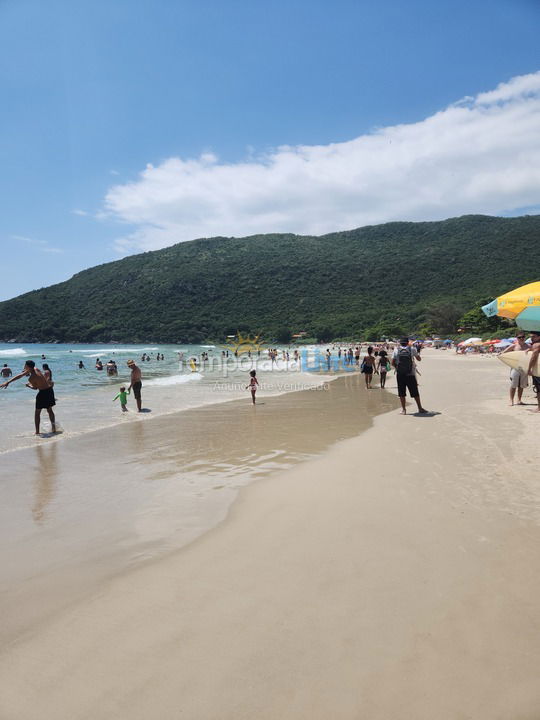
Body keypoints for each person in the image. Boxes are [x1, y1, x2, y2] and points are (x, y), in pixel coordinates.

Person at [0, 359, 57, 434]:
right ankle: (54, 428)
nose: (24, 366)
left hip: (43, 393)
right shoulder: (36, 369)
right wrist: (8, 382)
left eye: (25, 365)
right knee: (49, 410)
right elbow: (20, 375)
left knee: (37, 413)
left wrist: (28, 385)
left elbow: (35, 388)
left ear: (28, 367)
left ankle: (37, 432)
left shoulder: (31, 378)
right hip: (49, 391)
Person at [392, 338, 428, 415]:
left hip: (400, 374)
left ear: (400, 343)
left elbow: (393, 362)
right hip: (410, 374)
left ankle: (404, 410)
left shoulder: (396, 350)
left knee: (401, 392)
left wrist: (398, 368)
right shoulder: (412, 349)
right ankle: (420, 408)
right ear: (408, 342)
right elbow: (419, 359)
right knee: (415, 391)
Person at [501, 332, 529, 405]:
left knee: (522, 385)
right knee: (513, 384)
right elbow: (503, 353)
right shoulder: (514, 346)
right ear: (517, 338)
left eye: (523, 337)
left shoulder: (528, 346)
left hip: (524, 368)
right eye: (519, 337)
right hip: (515, 367)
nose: (521, 338)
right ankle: (511, 400)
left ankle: (519, 400)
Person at [527, 331, 540, 412]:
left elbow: (534, 357)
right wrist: (529, 349)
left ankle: (539, 408)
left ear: (539, 337)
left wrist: (529, 369)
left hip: (538, 370)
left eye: (533, 336)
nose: (531, 338)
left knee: (539, 389)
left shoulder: (536, 344)